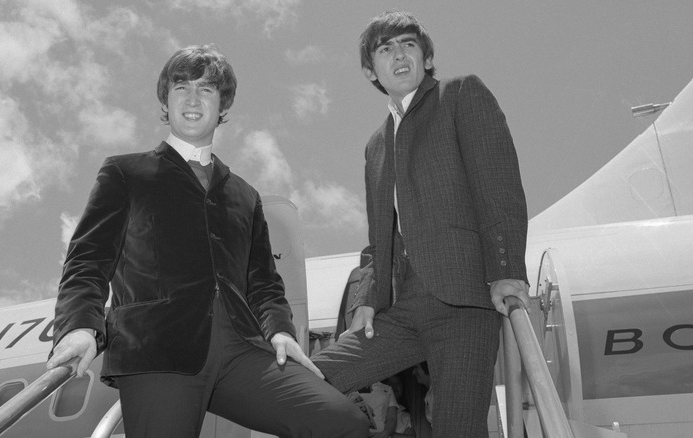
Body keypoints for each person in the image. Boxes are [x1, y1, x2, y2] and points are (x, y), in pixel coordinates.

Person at [46, 45, 369, 438]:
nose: (193, 99)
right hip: (159, 349)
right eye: (182, 88)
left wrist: (280, 331)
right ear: (166, 99)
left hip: (241, 351)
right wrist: (80, 325)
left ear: (222, 104)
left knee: (342, 422)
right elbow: (87, 261)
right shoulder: (125, 172)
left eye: (207, 90)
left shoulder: (244, 194)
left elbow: (264, 285)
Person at [312, 10, 530, 437]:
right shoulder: (375, 145)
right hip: (400, 310)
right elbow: (378, 241)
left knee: (457, 429)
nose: (399, 55)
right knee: (304, 380)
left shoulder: (460, 94)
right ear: (369, 69)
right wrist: (366, 302)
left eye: (408, 44)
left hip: (463, 304)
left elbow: (498, 188)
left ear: (427, 58)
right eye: (385, 48)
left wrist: (506, 272)